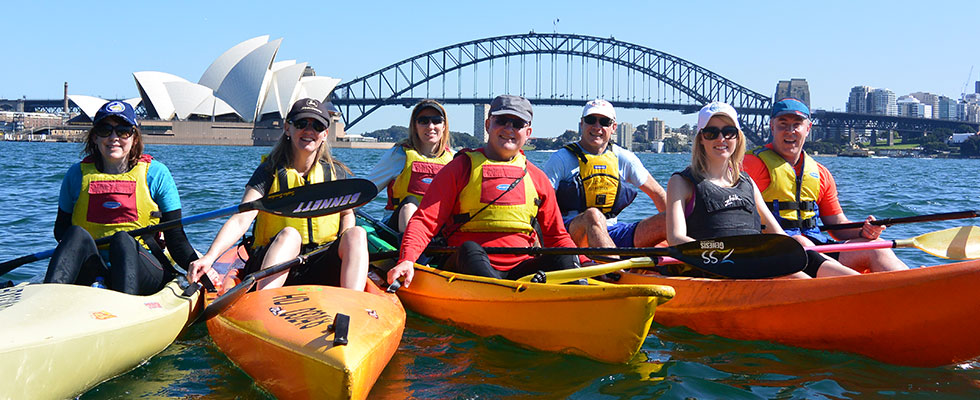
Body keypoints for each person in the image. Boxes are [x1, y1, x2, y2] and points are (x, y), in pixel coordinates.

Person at [387, 95, 581, 287]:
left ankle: (582, 292)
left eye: (517, 124)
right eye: (502, 121)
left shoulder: (537, 177)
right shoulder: (460, 168)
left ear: (528, 132)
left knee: (564, 256)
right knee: (470, 250)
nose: (508, 128)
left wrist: (584, 266)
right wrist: (407, 258)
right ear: (488, 124)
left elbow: (557, 237)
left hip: (521, 271)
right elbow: (425, 221)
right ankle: (501, 296)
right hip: (467, 266)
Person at [187, 98, 369, 291]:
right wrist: (209, 257)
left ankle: (353, 300)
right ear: (287, 128)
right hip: (275, 263)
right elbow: (242, 219)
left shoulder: (336, 173)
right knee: (291, 235)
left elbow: (347, 215)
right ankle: (263, 301)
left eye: (317, 125)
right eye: (301, 124)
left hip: (320, 261)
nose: (309, 131)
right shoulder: (268, 171)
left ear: (324, 134)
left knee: (357, 233)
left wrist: (343, 243)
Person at [665, 102, 856, 278]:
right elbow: (675, 239)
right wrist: (724, 251)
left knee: (844, 276)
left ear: (738, 138)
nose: (721, 138)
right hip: (720, 267)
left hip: (758, 260)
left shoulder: (747, 181)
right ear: (700, 139)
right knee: (801, 280)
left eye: (729, 132)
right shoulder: (681, 182)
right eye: (711, 133)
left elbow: (778, 235)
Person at [45, 101, 198, 295]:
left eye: (123, 131)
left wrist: (196, 266)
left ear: (134, 138)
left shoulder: (157, 174)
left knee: (122, 240)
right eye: (105, 129)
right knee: (74, 235)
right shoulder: (76, 175)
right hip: (94, 268)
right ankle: (48, 300)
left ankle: (124, 307)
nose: (113, 137)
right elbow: (61, 230)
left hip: (143, 267)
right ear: (95, 137)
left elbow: (175, 240)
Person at [742, 98, 909, 273]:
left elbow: (838, 224)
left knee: (877, 247)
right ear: (772, 126)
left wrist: (863, 230)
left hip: (816, 247)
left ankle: (912, 284)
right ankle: (852, 283)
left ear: (808, 128)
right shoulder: (750, 164)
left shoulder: (820, 173)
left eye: (797, 124)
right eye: (783, 124)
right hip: (773, 251)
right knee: (800, 242)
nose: (790, 131)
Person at [542, 99, 667, 250]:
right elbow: (541, 204)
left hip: (612, 232)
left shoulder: (624, 158)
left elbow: (658, 193)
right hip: (571, 235)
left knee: (669, 219)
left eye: (604, 122)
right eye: (591, 120)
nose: (597, 127)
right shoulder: (561, 159)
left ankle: (692, 260)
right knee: (593, 216)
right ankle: (614, 271)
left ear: (613, 127)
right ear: (582, 124)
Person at [364, 99, 453, 232]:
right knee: (409, 204)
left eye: (436, 120)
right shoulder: (398, 155)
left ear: (444, 126)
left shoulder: (454, 160)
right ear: (415, 126)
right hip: (396, 228)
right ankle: (410, 251)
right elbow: (365, 191)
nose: (430, 126)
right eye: (423, 121)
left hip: (436, 226)